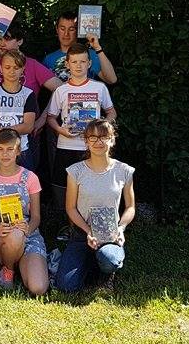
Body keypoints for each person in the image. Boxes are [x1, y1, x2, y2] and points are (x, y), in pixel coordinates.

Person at [55, 120, 134, 294]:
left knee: (110, 260)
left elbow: (130, 207)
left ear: (112, 139)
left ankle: (107, 272)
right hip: (81, 234)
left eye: (103, 137)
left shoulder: (124, 170)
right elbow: (71, 208)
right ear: (86, 141)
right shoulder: (75, 171)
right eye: (93, 137)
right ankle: (91, 263)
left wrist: (121, 228)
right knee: (66, 286)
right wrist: (88, 231)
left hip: (110, 234)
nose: (98, 142)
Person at [0, 129, 48, 295]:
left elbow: (36, 217)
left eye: (10, 149)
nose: (5, 154)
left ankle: (24, 263)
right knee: (14, 235)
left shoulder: (30, 177)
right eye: (0, 149)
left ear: (18, 151)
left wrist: (28, 228)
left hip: (28, 235)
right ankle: (8, 270)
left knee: (38, 288)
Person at [46, 43, 117, 187]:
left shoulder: (99, 87)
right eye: (74, 62)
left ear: (89, 64)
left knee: (92, 187)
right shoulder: (61, 90)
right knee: (64, 187)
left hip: (92, 147)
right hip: (66, 146)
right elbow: (51, 117)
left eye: (83, 61)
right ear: (67, 64)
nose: (78, 66)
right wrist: (60, 130)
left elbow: (112, 112)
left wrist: (101, 129)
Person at [0, 48, 39, 170]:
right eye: (7, 67)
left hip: (21, 151)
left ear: (23, 69)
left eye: (16, 68)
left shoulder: (28, 94)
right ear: (1, 68)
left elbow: (28, 127)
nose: (12, 71)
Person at [0, 20, 62, 95]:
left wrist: (49, 109)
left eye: (7, 39)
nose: (2, 43)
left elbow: (61, 89)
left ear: (20, 41)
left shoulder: (32, 65)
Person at [42, 10, 117, 84]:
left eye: (71, 29)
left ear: (78, 31)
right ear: (57, 29)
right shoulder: (48, 59)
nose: (66, 34)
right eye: (62, 29)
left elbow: (112, 80)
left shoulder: (89, 54)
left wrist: (98, 48)